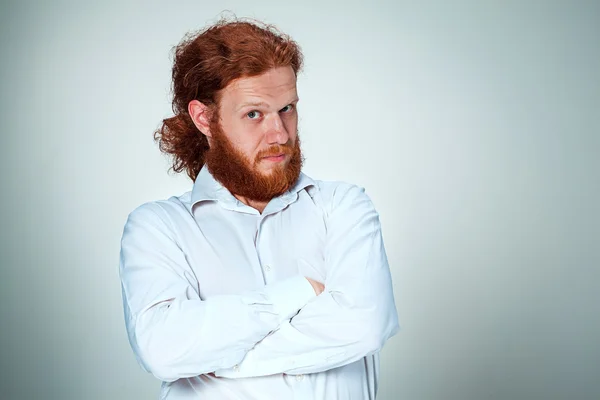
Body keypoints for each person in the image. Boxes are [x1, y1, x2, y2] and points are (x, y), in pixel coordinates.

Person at [119, 18, 399, 400]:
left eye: (286, 109)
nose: (280, 134)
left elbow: (365, 325)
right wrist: (298, 293)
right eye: (254, 114)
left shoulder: (343, 208)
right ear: (205, 119)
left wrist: (222, 358)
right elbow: (164, 349)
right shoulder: (158, 229)